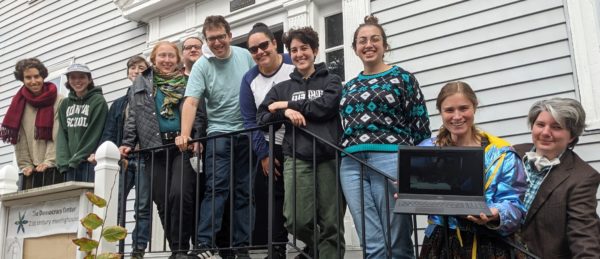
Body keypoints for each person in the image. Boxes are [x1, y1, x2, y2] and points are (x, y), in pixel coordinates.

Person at [338, 16, 430, 258]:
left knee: (397, 239)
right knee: (371, 242)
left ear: (385, 45)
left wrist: (417, 169)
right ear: (355, 48)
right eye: (362, 41)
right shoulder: (349, 86)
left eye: (374, 39)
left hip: (390, 160)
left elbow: (420, 125)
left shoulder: (403, 78)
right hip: (351, 164)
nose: (368, 44)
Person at [257, 26, 346, 259]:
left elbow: (325, 107)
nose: (299, 54)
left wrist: (288, 105)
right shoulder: (282, 88)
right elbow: (262, 117)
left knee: (331, 223)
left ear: (315, 50)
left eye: (304, 48)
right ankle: (321, 247)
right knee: (295, 220)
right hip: (296, 158)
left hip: (329, 157)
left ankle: (328, 252)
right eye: (294, 50)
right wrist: (283, 114)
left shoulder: (332, 80)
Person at [419, 81, 527, 258]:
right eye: (449, 110)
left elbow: (515, 205)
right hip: (440, 242)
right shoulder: (427, 150)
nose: (457, 116)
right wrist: (409, 187)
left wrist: (496, 214)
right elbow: (421, 189)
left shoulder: (501, 153)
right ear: (440, 112)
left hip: (489, 244)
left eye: (463, 108)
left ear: (474, 107)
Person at [176, 15, 255, 259]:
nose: (217, 42)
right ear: (206, 41)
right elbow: (191, 101)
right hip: (219, 133)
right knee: (216, 190)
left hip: (247, 132)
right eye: (212, 39)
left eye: (221, 36)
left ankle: (242, 246)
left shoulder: (245, 56)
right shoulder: (202, 65)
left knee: (244, 191)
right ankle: (204, 245)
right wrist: (185, 134)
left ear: (230, 36)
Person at [119, 42, 200, 259]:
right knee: (162, 201)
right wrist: (128, 142)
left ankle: (183, 246)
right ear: (154, 59)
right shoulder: (140, 83)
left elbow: (198, 111)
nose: (167, 60)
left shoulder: (188, 81)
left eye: (171, 56)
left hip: (181, 146)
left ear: (178, 59)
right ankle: (177, 250)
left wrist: (198, 136)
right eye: (162, 55)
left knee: (180, 194)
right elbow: (133, 116)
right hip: (153, 149)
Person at [514, 98, 600, 259]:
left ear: (572, 136)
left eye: (556, 127)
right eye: (540, 125)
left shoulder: (582, 177)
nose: (545, 133)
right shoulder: (513, 153)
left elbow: (584, 235)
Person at [239, 22, 293, 259]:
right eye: (253, 49)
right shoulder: (249, 78)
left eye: (264, 45)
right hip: (268, 144)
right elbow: (249, 121)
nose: (260, 52)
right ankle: (277, 249)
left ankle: (311, 247)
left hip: (299, 139)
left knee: (300, 197)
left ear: (275, 43)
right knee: (270, 196)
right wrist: (264, 154)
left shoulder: (293, 63)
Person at [96, 55, 151, 258]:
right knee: (115, 204)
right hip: (123, 161)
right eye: (133, 68)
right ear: (128, 73)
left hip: (145, 158)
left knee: (143, 206)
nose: (136, 71)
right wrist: (107, 153)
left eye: (142, 68)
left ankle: (138, 249)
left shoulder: (151, 98)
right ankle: (113, 248)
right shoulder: (119, 104)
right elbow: (109, 133)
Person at [1, 58, 63, 189]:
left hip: (55, 167)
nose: (33, 81)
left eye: (37, 76)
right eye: (28, 77)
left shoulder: (58, 100)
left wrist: (49, 161)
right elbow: (19, 137)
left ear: (43, 76)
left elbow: (57, 133)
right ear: (22, 79)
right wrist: (25, 165)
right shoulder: (18, 103)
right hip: (31, 170)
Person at [56, 63, 108, 182]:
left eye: (82, 77)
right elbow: (62, 134)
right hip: (70, 165)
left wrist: (78, 157)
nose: (77, 81)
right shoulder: (64, 104)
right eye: (73, 78)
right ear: (68, 81)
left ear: (89, 79)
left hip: (89, 161)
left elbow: (95, 132)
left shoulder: (98, 101)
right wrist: (63, 161)